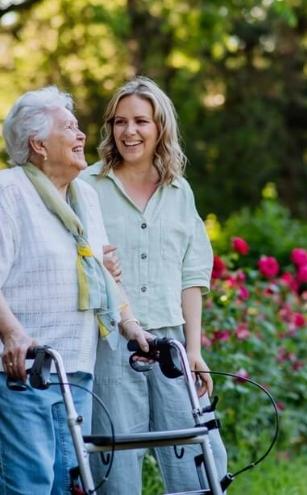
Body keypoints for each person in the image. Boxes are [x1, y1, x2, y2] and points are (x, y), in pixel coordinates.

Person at [0, 85, 149, 495]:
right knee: (30, 485)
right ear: (38, 144)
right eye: (69, 127)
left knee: (69, 485)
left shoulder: (84, 195)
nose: (82, 135)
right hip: (20, 369)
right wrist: (13, 333)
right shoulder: (7, 190)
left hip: (74, 366)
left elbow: (100, 272)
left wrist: (131, 326)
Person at [80, 76, 228, 494]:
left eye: (141, 121)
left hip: (170, 342)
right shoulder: (87, 187)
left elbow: (192, 277)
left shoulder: (180, 192)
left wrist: (194, 350)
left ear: (160, 127)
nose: (129, 132)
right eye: (120, 121)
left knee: (198, 460)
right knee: (115, 464)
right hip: (111, 343)